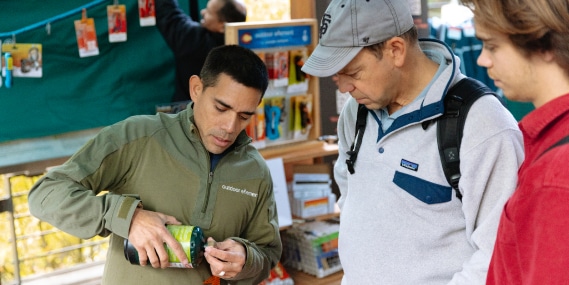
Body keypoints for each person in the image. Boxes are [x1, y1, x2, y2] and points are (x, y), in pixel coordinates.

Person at [301, 1, 524, 284]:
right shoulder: (355, 112)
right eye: (337, 76)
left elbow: (497, 253)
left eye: (353, 73)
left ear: (395, 50)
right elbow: (351, 199)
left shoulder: (484, 126)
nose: (344, 87)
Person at [28, 45, 282, 285]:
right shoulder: (137, 136)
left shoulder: (255, 172)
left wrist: (246, 260)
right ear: (196, 89)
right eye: (221, 108)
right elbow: (46, 194)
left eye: (244, 116)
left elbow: (268, 253)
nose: (230, 127)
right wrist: (128, 217)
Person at [457, 0, 569, 283]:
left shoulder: (555, 175)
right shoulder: (548, 143)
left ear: (543, 44)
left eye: (493, 46)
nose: (482, 59)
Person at [156, 0, 247, 103]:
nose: (202, 12)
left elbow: (170, 16)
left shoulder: (198, 43)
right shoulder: (241, 50)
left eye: (208, 12)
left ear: (222, 26)